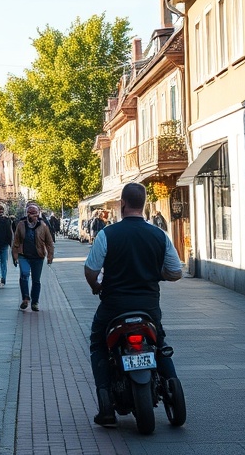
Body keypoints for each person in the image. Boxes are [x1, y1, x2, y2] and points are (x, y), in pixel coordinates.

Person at [84, 182, 183, 427]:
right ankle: (171, 386)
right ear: (145, 204)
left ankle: (106, 404)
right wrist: (158, 275)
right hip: (148, 307)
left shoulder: (107, 234)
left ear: (123, 204)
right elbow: (176, 271)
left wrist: (96, 286)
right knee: (159, 344)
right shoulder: (160, 235)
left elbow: (91, 269)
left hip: (114, 307)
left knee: (98, 344)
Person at [12, 202, 54, 311]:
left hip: (38, 257)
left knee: (36, 280)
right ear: (27, 214)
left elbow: (49, 242)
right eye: (30, 213)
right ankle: (25, 298)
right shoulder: (21, 224)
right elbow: (16, 241)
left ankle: (35, 302)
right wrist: (15, 255)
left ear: (38, 214)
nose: (32, 215)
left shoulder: (43, 225)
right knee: (24, 274)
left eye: (35, 213)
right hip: (24, 255)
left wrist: (50, 256)